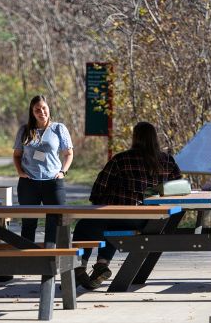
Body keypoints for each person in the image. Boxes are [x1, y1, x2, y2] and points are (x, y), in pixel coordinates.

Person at [72, 121, 182, 290]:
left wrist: (100, 204)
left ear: (135, 138)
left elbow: (99, 188)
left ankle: (78, 269)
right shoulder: (167, 161)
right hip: (148, 221)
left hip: (120, 215)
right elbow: (179, 186)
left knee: (84, 227)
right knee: (111, 227)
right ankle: (101, 264)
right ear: (155, 139)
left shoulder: (121, 159)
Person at [13, 95, 73, 242]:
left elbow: (68, 153)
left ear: (49, 108)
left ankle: (50, 257)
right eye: (37, 110)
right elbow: (16, 155)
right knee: (28, 223)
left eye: (44, 108)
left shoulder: (58, 128)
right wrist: (21, 173)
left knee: (55, 222)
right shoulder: (24, 130)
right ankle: (27, 258)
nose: (41, 112)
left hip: (52, 182)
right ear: (32, 112)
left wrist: (62, 172)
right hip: (29, 182)